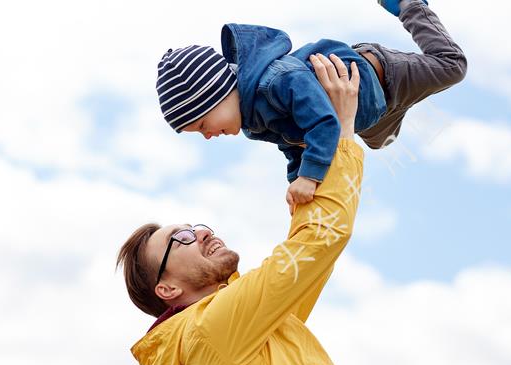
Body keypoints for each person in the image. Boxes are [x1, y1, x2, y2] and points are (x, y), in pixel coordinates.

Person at [117, 55, 362, 365]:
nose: (202, 232)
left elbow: (311, 256)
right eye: (181, 238)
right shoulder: (211, 330)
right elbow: (320, 241)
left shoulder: (243, 327)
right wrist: (340, 131)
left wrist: (312, 174)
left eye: (194, 227)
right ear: (168, 289)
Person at [155, 0, 466, 210]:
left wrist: (310, 176)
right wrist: (297, 185)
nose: (208, 136)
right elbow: (293, 145)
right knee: (379, 143)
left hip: (385, 78)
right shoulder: (253, 123)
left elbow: (322, 123)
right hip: (373, 116)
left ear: (217, 94)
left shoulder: (278, 80)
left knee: (453, 66)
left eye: (201, 125)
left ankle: (408, 5)